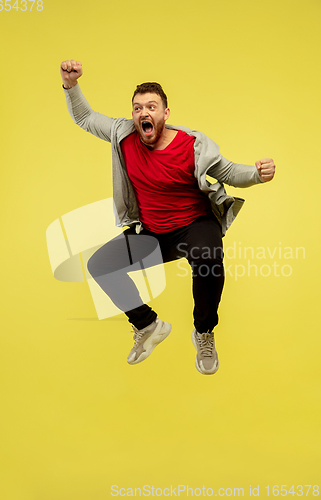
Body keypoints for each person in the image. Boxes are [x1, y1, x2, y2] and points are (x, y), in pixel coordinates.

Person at [60, 59, 275, 375]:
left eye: (151, 107)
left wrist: (256, 174)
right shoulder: (123, 134)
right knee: (100, 266)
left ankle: (203, 331)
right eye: (137, 108)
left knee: (209, 257)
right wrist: (70, 84)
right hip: (153, 232)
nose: (143, 113)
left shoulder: (192, 145)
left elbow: (228, 171)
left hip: (194, 226)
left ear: (164, 114)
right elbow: (85, 117)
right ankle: (148, 325)